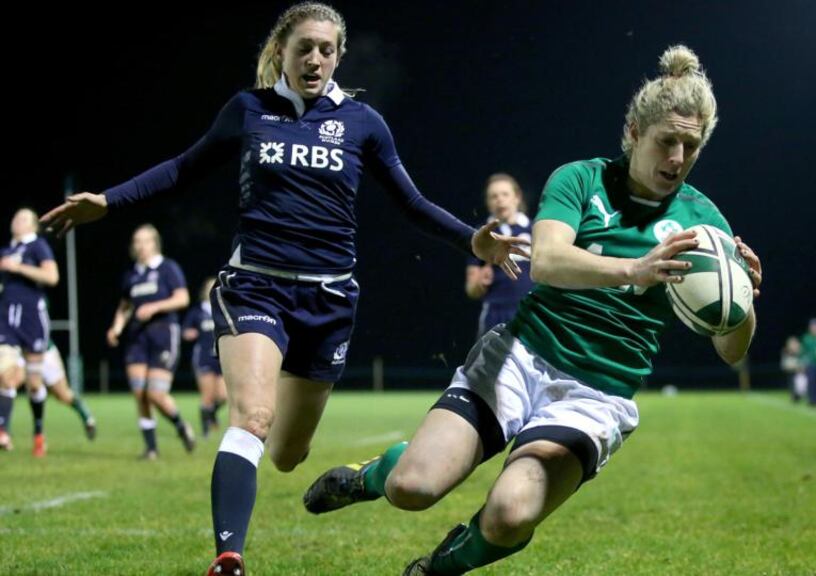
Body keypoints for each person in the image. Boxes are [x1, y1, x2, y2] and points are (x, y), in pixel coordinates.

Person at [41, 3, 526, 574]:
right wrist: (110, 200)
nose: (315, 59)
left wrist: (474, 240)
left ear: (338, 55)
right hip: (256, 288)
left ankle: (370, 474)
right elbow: (181, 167)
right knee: (252, 417)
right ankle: (229, 557)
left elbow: (411, 203)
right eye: (304, 48)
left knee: (289, 455)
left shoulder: (363, 123)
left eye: (326, 49)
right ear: (282, 52)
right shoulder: (249, 110)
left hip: (328, 302)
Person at [304, 44, 762, 575]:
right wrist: (632, 270)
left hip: (596, 396)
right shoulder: (582, 180)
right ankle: (372, 475)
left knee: (509, 513)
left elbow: (731, 350)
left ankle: (437, 568)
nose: (677, 159)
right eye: (667, 141)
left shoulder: (703, 220)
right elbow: (545, 260)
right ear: (635, 132)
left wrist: (740, 302)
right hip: (521, 358)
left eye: (691, 145)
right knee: (413, 486)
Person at [108, 224, 195, 459]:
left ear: (154, 243)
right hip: (137, 337)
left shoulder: (168, 268)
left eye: (144, 241)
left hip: (164, 333)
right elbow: (124, 306)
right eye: (136, 241)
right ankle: (151, 449)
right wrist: (116, 328)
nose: (139, 246)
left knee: (155, 394)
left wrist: (155, 306)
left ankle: (180, 426)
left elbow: (182, 298)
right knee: (140, 394)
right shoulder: (132, 275)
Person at [0, 209, 59, 456]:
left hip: (32, 319)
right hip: (6, 320)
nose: (16, 220)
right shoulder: (5, 251)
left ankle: (38, 433)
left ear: (34, 226)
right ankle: (3, 430)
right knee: (3, 373)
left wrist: (19, 268)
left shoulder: (38, 246)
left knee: (34, 384)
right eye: (15, 217)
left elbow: (52, 277)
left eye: (23, 218)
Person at [465, 173, 533, 338]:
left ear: (517, 197)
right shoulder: (481, 235)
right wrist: (479, 281)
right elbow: (471, 289)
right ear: (488, 203)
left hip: (532, 312)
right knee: (490, 364)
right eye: (493, 196)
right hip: (496, 314)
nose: (500, 200)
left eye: (505, 194)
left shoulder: (535, 230)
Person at [183, 277, 227, 438]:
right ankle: (206, 430)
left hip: (222, 356)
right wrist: (189, 333)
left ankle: (212, 415)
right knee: (207, 396)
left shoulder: (223, 309)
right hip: (204, 356)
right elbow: (186, 330)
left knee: (223, 396)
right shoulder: (197, 312)